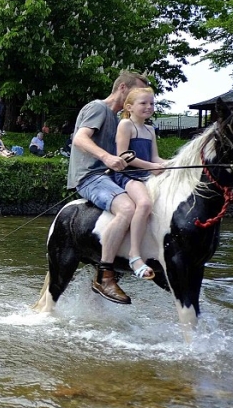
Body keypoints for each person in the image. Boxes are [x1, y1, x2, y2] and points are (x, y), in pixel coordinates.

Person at [67, 69, 150, 304]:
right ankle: (105, 276)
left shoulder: (120, 120)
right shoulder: (98, 108)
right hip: (90, 176)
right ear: (123, 88)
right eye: (136, 93)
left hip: (110, 177)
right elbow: (80, 139)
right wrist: (106, 157)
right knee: (126, 209)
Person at [114, 87, 168, 281]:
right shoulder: (126, 125)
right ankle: (134, 255)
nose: (149, 107)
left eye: (152, 103)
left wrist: (168, 164)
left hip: (147, 175)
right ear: (129, 106)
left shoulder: (150, 130)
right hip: (128, 176)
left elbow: (155, 157)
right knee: (144, 203)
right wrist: (152, 166)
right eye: (143, 103)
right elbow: (123, 156)